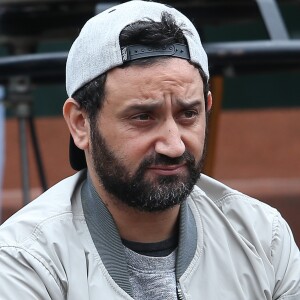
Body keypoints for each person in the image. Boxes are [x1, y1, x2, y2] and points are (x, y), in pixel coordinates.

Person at [0, 1, 299, 299]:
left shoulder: (262, 239)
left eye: (188, 114)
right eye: (143, 117)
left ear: (206, 108)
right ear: (80, 124)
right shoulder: (26, 261)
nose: (174, 144)